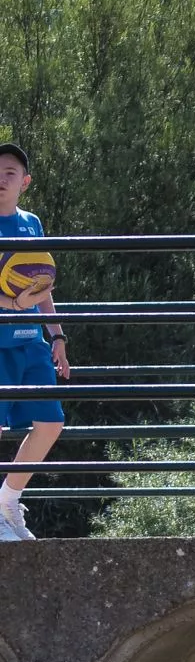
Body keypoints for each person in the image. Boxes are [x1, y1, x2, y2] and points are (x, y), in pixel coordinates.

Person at [0, 142, 67, 543]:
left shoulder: (31, 223)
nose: (1, 179)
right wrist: (11, 301)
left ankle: (7, 501)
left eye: (9, 172)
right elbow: (20, 294)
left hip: (32, 343)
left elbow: (42, 285)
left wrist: (56, 333)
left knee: (51, 423)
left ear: (24, 182)